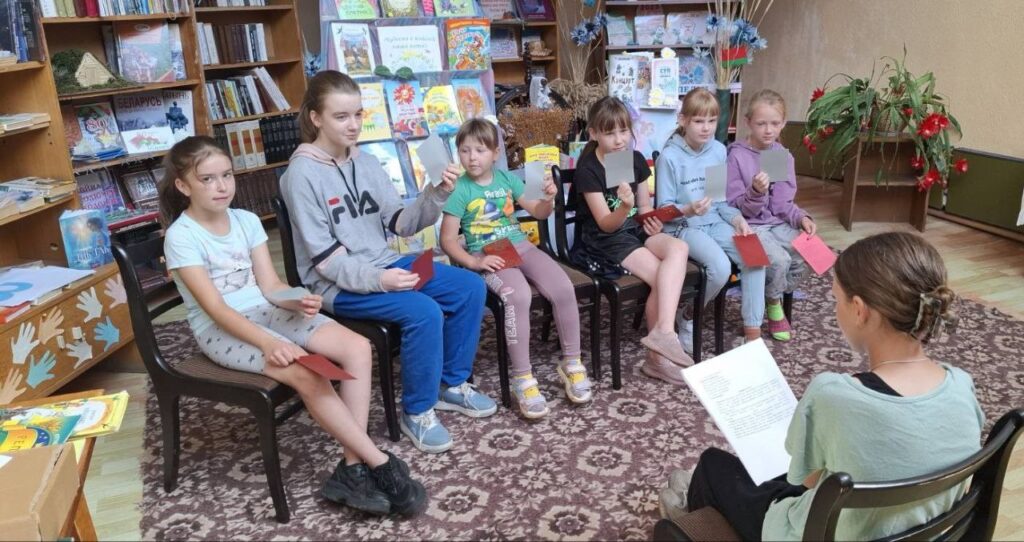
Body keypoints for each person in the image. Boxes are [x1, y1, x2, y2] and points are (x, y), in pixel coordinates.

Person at [159, 136, 425, 517]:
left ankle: (351, 468)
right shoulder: (181, 237)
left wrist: (297, 298)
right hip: (221, 328)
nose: (222, 186)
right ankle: (379, 462)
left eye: (227, 175)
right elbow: (216, 309)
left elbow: (270, 287)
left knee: (357, 347)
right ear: (183, 186)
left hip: (264, 310)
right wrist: (268, 343)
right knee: (309, 373)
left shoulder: (246, 221)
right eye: (207, 179)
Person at [659, 232, 983, 541]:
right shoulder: (962, 386)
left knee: (714, 465)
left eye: (836, 300)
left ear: (859, 310)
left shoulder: (835, 395)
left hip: (820, 532)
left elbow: (806, 480)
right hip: (925, 529)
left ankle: (695, 520)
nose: (836, 308)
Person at [279, 71, 495, 454]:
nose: (354, 125)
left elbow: (401, 223)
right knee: (424, 311)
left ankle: (452, 383)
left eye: (358, 114)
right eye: (341, 116)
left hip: (388, 263)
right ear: (315, 118)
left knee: (470, 286)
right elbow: (325, 261)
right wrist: (381, 280)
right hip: (337, 285)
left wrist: (436, 194)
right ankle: (418, 411)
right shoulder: (300, 175)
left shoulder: (366, 162)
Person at [439, 118, 591, 419]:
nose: (472, 158)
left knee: (563, 287)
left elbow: (539, 212)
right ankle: (523, 379)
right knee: (518, 296)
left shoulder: (507, 179)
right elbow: (447, 240)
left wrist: (549, 198)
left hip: (520, 244)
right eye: (465, 151)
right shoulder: (459, 190)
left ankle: (572, 363)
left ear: (495, 153)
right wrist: (474, 262)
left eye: (480, 150)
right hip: (488, 251)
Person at [568, 96, 694, 385]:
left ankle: (663, 334)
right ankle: (657, 357)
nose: (619, 140)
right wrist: (625, 208)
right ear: (594, 133)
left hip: (634, 230)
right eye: (609, 132)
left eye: (623, 131)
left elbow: (644, 207)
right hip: (605, 239)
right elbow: (605, 223)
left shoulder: (633, 159)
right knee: (661, 275)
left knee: (679, 247)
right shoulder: (589, 169)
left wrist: (652, 219)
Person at [656, 88, 764, 348]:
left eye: (712, 121)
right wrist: (688, 209)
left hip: (715, 220)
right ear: (683, 120)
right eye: (698, 121)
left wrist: (737, 219)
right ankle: (688, 315)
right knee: (721, 268)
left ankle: (753, 335)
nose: (706, 128)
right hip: (683, 227)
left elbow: (720, 201)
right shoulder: (669, 157)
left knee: (755, 254)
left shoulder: (717, 150)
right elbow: (664, 211)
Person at [727, 89, 813, 341]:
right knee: (779, 260)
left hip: (775, 223)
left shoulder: (778, 154)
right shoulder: (737, 155)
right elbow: (734, 205)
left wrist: (801, 218)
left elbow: (782, 204)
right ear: (748, 123)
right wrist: (755, 192)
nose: (768, 130)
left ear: (784, 123)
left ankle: (770, 291)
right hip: (748, 224)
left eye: (775, 124)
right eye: (761, 124)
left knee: (811, 252)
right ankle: (774, 304)